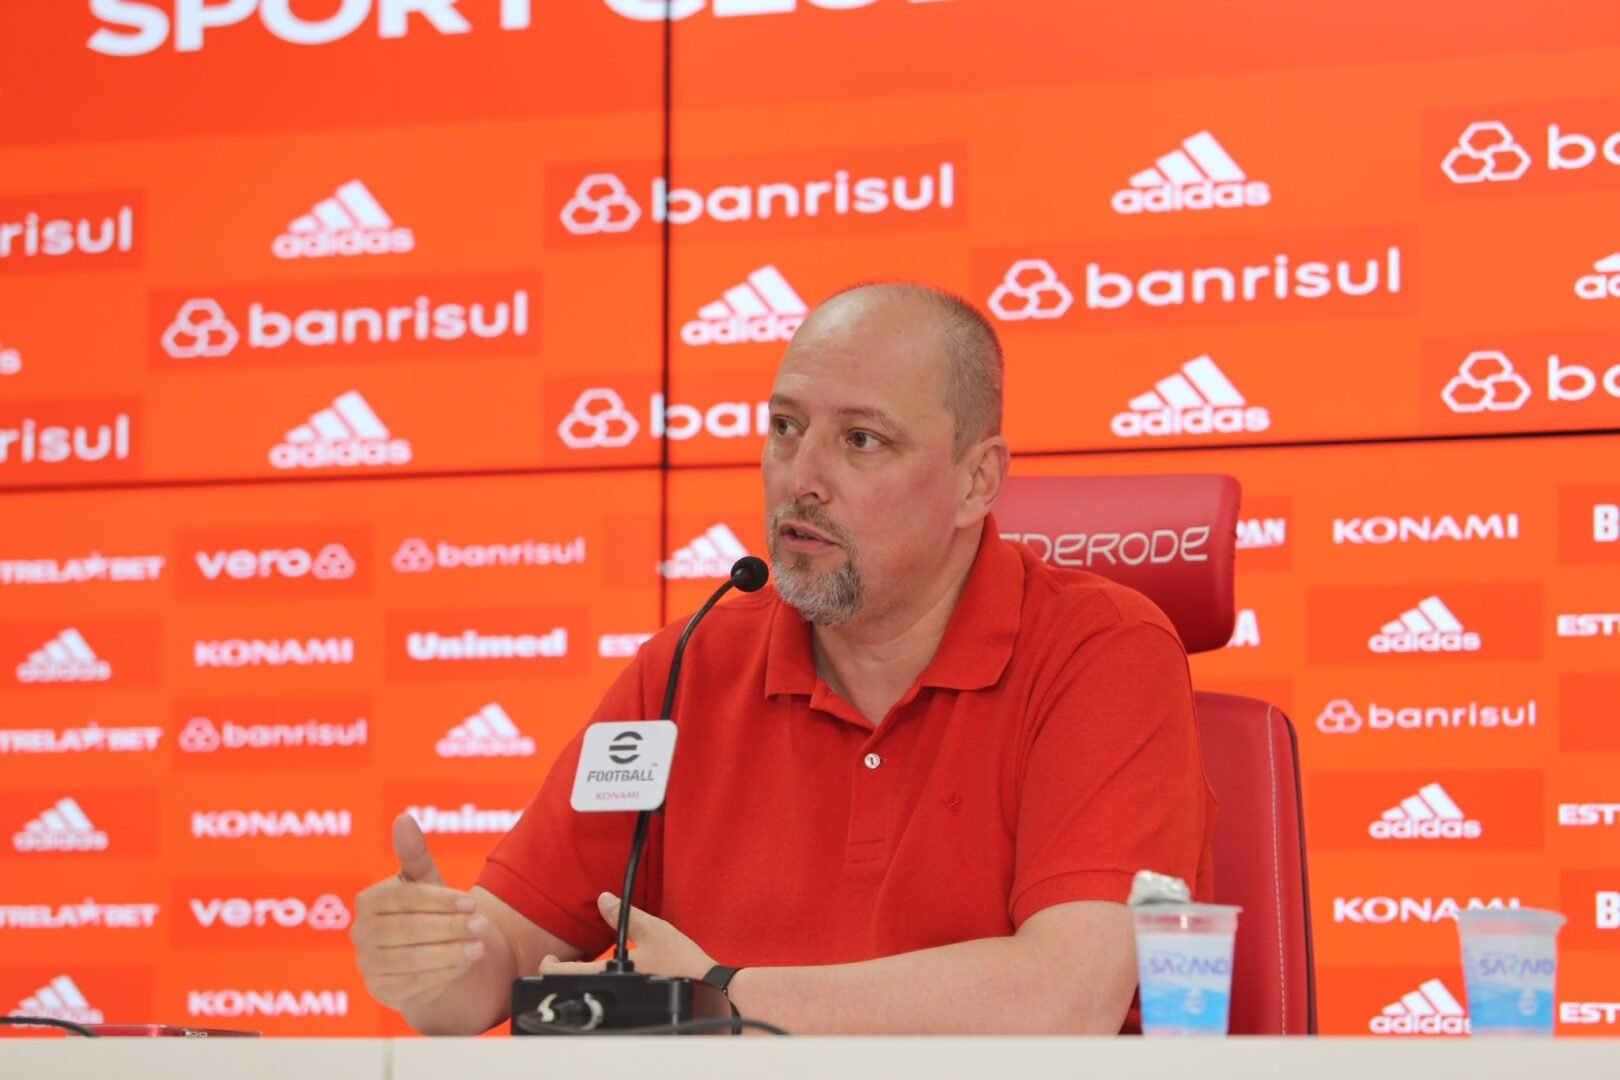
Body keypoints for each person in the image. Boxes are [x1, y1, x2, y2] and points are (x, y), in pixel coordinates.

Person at [350, 283, 1216, 1035]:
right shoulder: (686, 667)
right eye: (785, 427)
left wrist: (723, 1000)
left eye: (861, 440)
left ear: (976, 481)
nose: (799, 476)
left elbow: (1064, 1002)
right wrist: (437, 957)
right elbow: (494, 966)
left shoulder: (1102, 654)